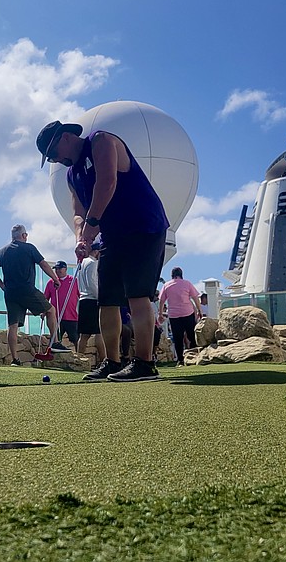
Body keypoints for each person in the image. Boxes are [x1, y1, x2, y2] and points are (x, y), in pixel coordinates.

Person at [36, 119, 169, 382]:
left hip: (143, 227)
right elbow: (78, 212)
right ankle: (112, 362)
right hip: (112, 236)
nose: (54, 159)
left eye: (52, 152)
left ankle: (145, 363)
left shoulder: (101, 141)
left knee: (137, 295)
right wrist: (80, 238)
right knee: (106, 301)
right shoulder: (72, 175)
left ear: (65, 138)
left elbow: (107, 183)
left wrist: (91, 227)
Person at [0, 224, 63, 365]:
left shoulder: (2, 251)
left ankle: (15, 359)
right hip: (27, 289)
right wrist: (55, 278)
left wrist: (2, 285)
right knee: (51, 310)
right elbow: (44, 264)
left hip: (10, 292)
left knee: (13, 325)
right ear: (23, 236)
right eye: (26, 235)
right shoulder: (29, 248)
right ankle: (55, 343)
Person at [158, 267, 201, 367]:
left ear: (172, 275)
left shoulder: (166, 285)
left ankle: (180, 360)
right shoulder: (187, 283)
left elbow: (161, 301)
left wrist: (160, 314)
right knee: (191, 336)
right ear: (181, 274)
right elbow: (195, 298)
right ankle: (194, 356)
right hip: (188, 313)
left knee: (178, 338)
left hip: (174, 315)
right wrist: (199, 310)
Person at [76, 240, 106, 363]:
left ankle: (78, 359)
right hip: (92, 300)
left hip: (83, 300)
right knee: (99, 333)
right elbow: (92, 283)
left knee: (84, 335)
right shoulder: (93, 263)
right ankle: (105, 360)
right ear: (97, 251)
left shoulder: (82, 263)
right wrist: (101, 297)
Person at [43, 260, 80, 352]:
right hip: (56, 317)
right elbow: (45, 299)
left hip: (72, 316)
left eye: (60, 268)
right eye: (56, 269)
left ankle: (79, 355)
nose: (58, 271)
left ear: (65, 269)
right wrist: (43, 311)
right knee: (55, 339)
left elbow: (80, 296)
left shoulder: (74, 281)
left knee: (75, 338)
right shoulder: (51, 282)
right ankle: (51, 356)